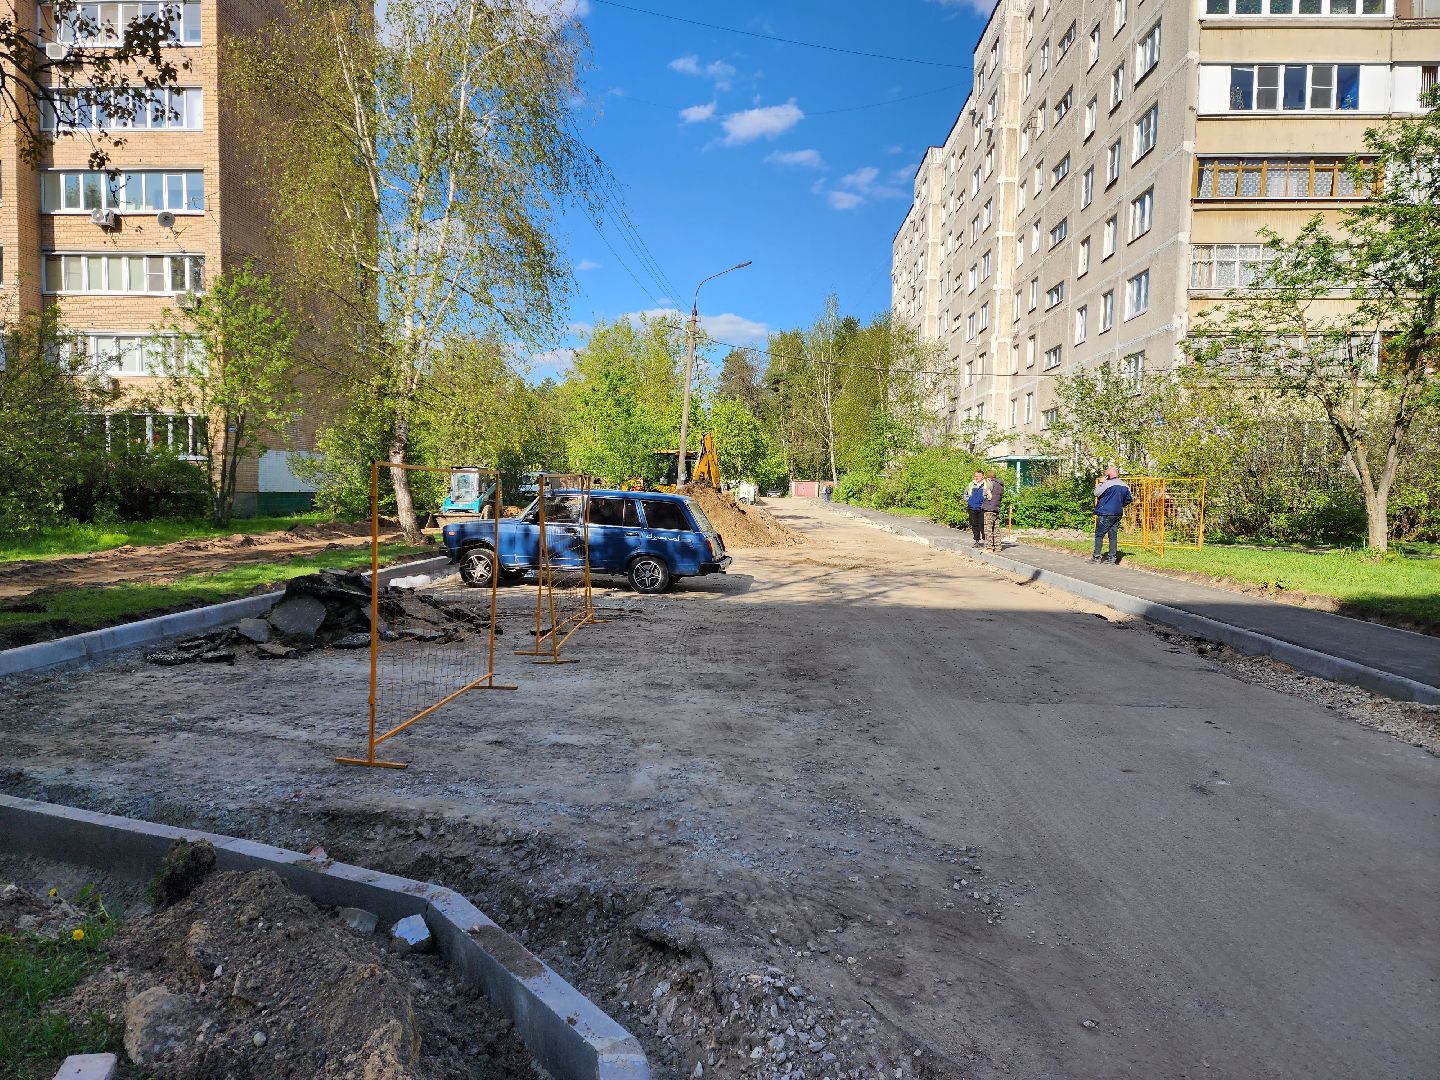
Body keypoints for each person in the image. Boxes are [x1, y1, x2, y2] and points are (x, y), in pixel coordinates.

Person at [1093, 467, 1133, 563]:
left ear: (1109, 475)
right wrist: (1119, 504)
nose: (1104, 474)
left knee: (1099, 535)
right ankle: (1112, 558)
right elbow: (1129, 499)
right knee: (1113, 535)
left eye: (1105, 472)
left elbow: (1096, 493)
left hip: (1105, 512)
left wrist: (1100, 482)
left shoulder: (1106, 484)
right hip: (1117, 513)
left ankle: (1096, 557)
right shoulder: (1125, 485)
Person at [981, 470, 1005, 552]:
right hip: (996, 509)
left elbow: (985, 493)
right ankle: (998, 547)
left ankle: (989, 547)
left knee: (988, 529)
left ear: (989, 477)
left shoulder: (990, 483)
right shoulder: (1000, 485)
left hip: (989, 508)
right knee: (996, 529)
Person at [964, 470, 987, 547]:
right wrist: (969, 500)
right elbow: (965, 494)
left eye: (978, 476)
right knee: (974, 524)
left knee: (983, 525)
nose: (976, 477)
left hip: (982, 508)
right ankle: (976, 541)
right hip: (972, 507)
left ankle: (985, 541)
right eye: (975, 476)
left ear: (982, 477)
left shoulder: (986, 485)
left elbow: (989, 495)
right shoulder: (971, 484)